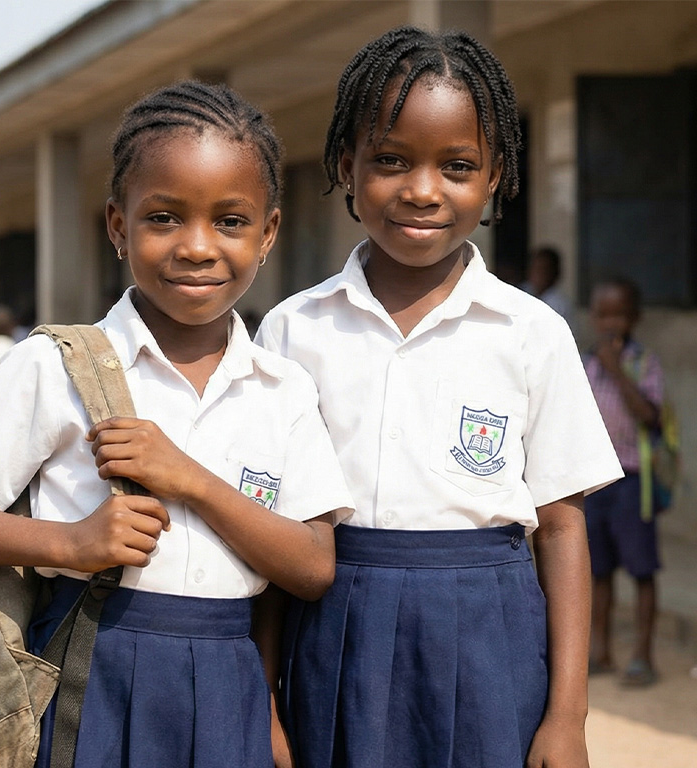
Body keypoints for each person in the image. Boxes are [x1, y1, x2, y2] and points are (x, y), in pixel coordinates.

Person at [0, 81, 353, 768]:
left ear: (268, 233)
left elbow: (313, 566)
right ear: (117, 225)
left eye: (230, 222)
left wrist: (189, 480)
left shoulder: (281, 388)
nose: (197, 247)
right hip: (91, 673)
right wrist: (72, 542)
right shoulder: (58, 364)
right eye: (164, 218)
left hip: (228, 684)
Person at [256, 28, 621, 768]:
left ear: (495, 178)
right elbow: (266, 530)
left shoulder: (531, 332)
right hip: (333, 627)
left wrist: (568, 715)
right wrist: (261, 702)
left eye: (457, 166)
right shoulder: (294, 329)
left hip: (489, 634)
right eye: (391, 160)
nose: (422, 190)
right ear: (347, 165)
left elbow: (560, 529)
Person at [582, 276, 665, 687]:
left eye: (619, 314)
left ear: (634, 317)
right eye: (603, 315)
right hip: (595, 483)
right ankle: (600, 650)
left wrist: (616, 370)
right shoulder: (584, 365)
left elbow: (650, 416)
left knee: (641, 569)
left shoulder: (644, 363)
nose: (611, 323)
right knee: (599, 572)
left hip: (632, 482)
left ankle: (643, 655)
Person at [522, 245, 574, 326]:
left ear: (555, 273)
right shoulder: (525, 291)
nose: (537, 274)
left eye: (543, 270)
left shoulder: (559, 303)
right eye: (535, 268)